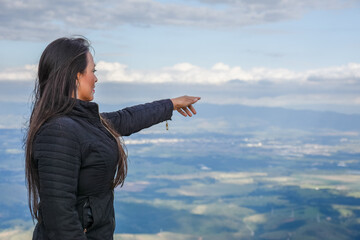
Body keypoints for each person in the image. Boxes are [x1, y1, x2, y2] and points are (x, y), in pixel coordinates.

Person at [24, 37, 200, 240]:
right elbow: (60, 219)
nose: (96, 79)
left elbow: (126, 119)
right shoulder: (60, 131)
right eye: (93, 71)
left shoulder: (82, 123)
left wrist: (171, 104)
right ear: (76, 76)